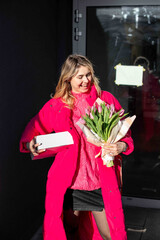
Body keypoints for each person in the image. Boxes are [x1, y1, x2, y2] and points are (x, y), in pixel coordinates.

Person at [20, 54, 134, 240]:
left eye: (88, 75)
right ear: (68, 79)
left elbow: (125, 131)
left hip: (99, 180)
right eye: (79, 77)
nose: (85, 81)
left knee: (111, 234)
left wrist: (121, 145)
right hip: (70, 184)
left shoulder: (105, 99)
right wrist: (30, 143)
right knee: (69, 233)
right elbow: (35, 128)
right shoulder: (57, 105)